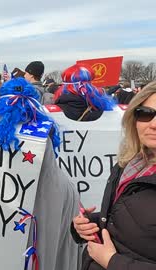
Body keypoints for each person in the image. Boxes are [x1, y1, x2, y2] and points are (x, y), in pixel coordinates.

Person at [71, 82, 156, 270]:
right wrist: (89, 224)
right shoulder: (130, 163)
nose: (153, 124)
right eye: (145, 113)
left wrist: (112, 261)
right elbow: (135, 218)